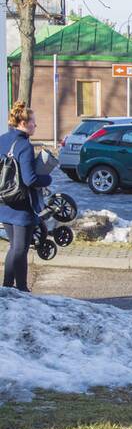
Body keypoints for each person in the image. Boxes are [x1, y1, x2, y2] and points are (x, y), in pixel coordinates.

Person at [0, 102, 52, 291]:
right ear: (23, 122)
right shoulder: (24, 146)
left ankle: (13, 286)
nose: (35, 126)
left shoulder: (2, 139)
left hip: (4, 201)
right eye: (33, 122)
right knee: (20, 249)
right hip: (21, 206)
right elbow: (30, 180)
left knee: (15, 247)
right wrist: (47, 179)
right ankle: (16, 288)